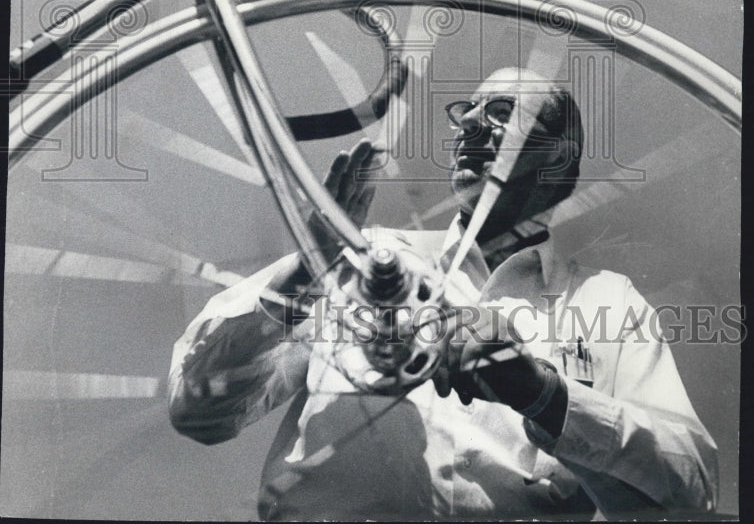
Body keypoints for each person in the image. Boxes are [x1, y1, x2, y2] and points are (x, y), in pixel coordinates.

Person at [167, 67, 718, 520]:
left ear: (557, 156)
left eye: (503, 113)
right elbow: (198, 411)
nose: (471, 125)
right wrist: (302, 276)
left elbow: (691, 487)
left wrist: (540, 392)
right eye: (468, 112)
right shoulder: (360, 258)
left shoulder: (607, 302)